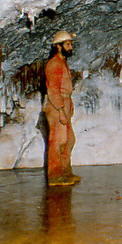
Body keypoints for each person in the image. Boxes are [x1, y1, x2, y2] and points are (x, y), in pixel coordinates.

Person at [44, 30, 80, 186]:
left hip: (64, 102)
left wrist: (68, 107)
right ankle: (55, 176)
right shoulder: (54, 64)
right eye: (67, 44)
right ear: (58, 47)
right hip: (55, 105)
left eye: (70, 44)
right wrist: (60, 110)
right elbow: (53, 90)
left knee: (69, 140)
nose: (70, 47)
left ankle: (65, 172)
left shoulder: (62, 63)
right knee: (57, 142)